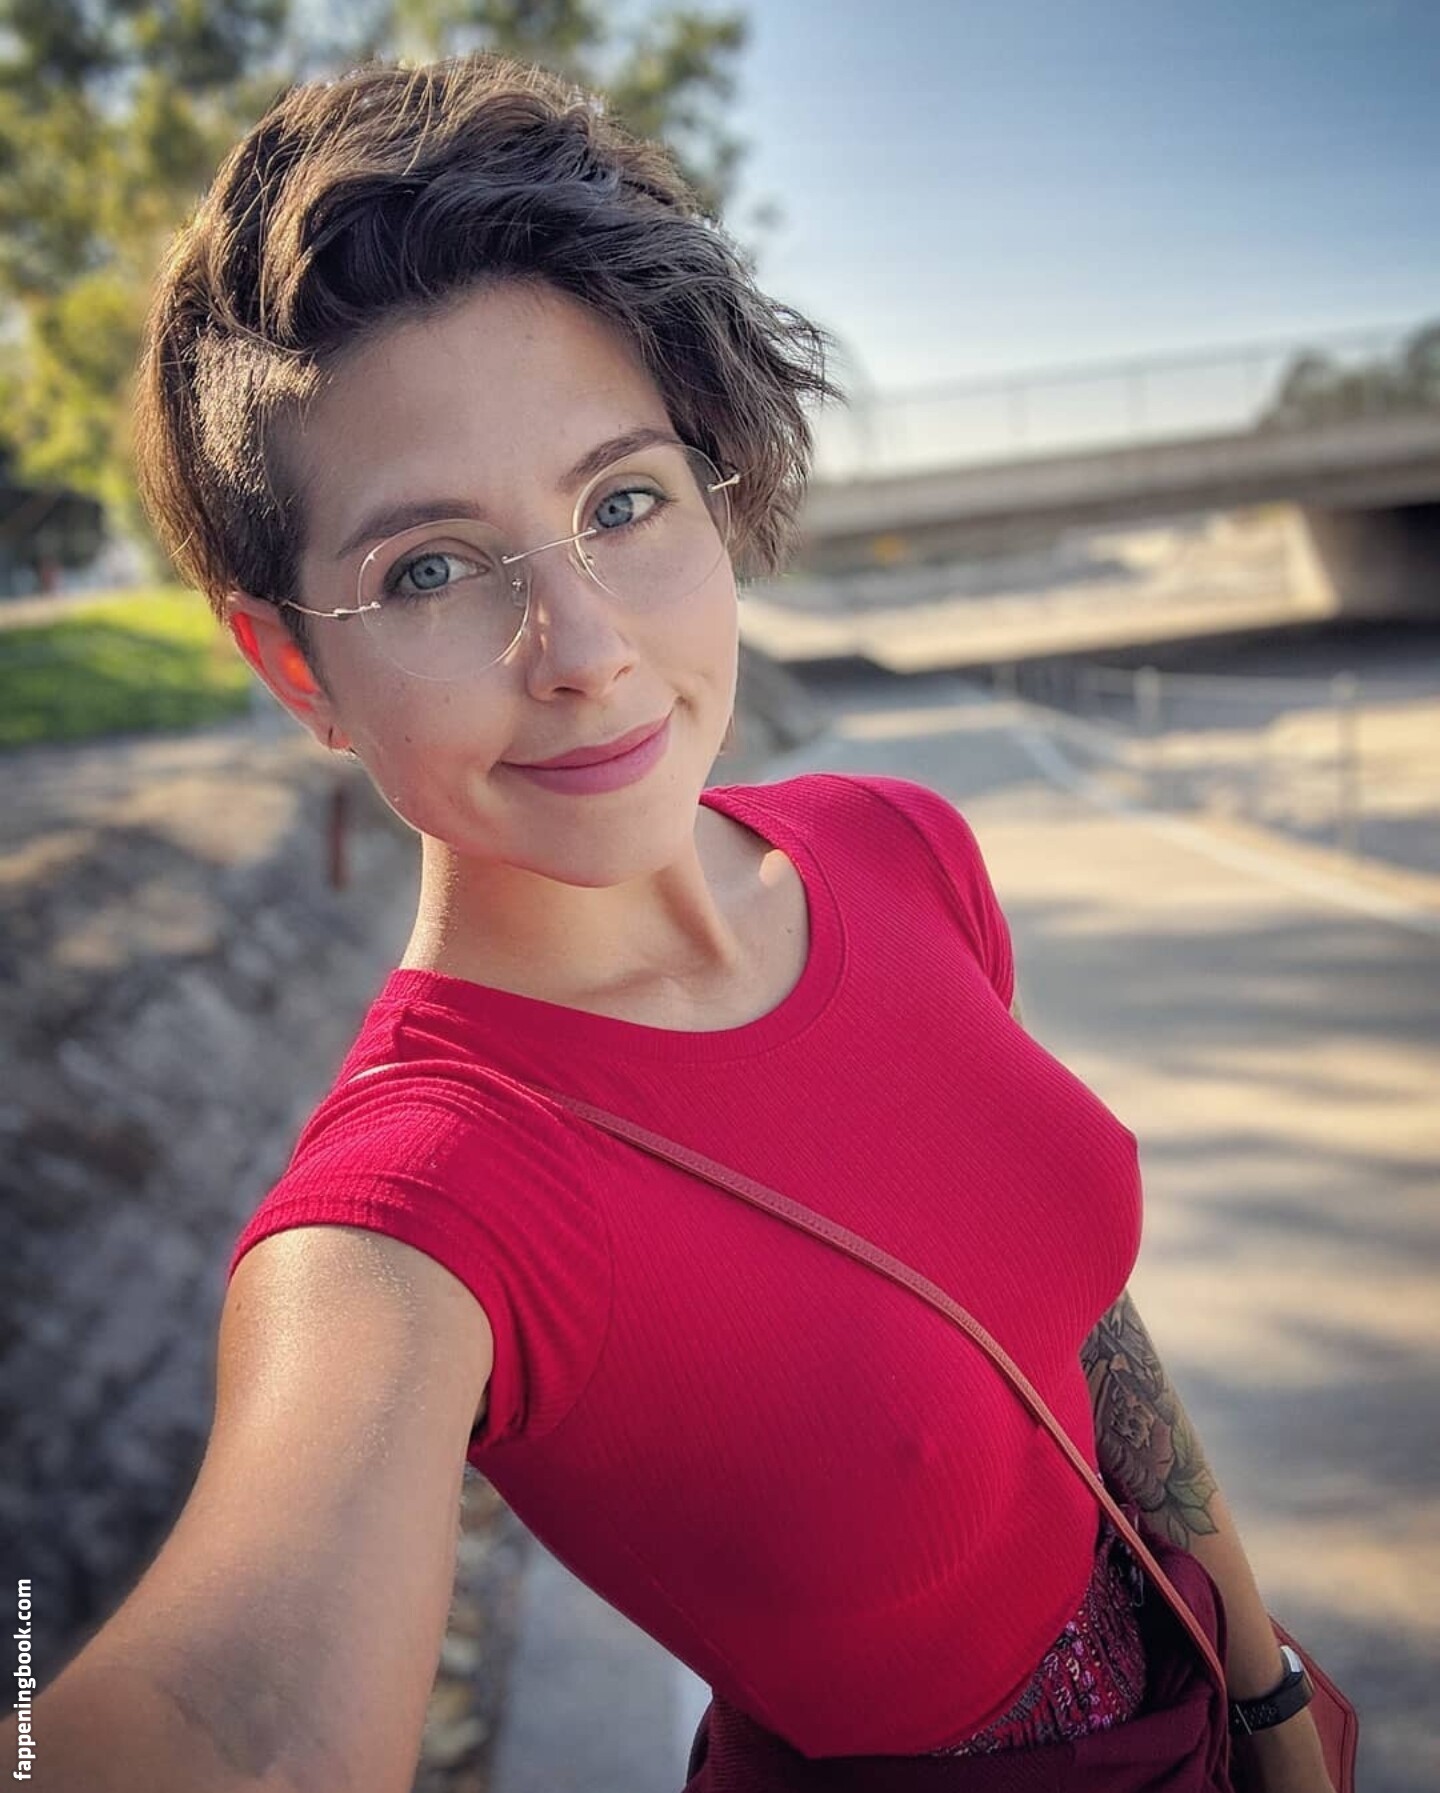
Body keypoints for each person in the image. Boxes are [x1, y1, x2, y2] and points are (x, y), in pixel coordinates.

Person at [7, 52, 1337, 1793]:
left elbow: (1071, 1324)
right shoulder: (421, 1209)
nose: (581, 648)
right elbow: (232, 1714)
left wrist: (1272, 1698)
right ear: (292, 665)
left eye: (621, 502)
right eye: (428, 568)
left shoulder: (897, 846)